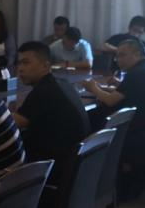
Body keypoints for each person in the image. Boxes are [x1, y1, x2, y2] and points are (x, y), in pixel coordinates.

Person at [83, 39, 145, 166]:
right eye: (117, 56)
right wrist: (104, 88)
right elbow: (128, 91)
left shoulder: (137, 73)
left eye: (122, 55)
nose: (118, 60)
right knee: (100, 116)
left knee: (95, 119)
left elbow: (110, 101)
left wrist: (93, 88)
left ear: (137, 54)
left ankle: (94, 168)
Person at [12, 41, 90, 182]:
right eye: (19, 63)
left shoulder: (44, 91)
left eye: (26, 63)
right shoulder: (61, 83)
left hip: (54, 169)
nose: (20, 69)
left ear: (45, 65)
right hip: (76, 166)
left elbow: (13, 123)